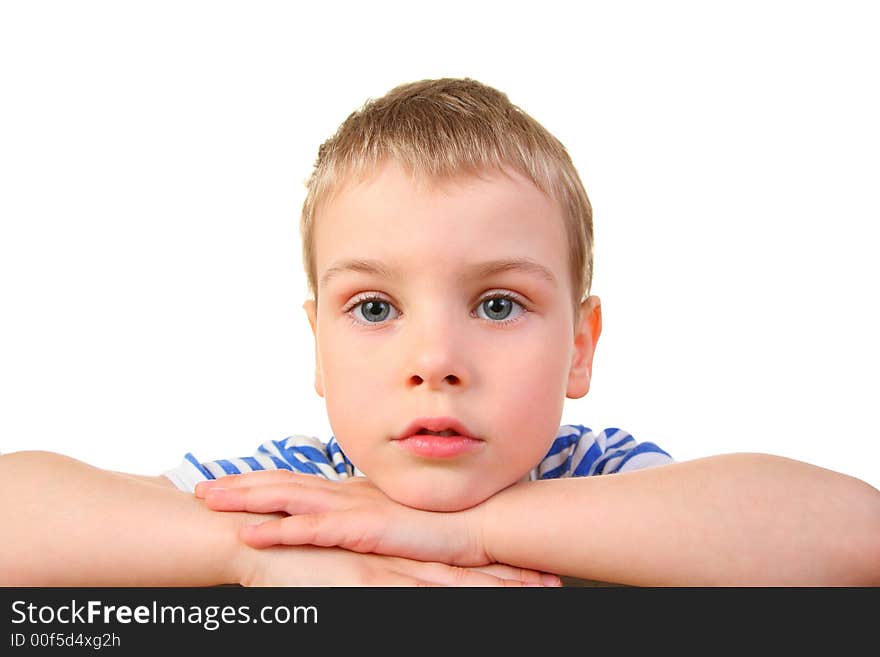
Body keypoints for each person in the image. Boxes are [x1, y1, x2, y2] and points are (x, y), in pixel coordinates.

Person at [2, 78, 879, 586]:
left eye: (498, 304)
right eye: (374, 309)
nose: (435, 363)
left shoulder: (598, 477)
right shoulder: (300, 495)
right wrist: (253, 554)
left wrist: (473, 534)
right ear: (317, 345)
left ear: (579, 345)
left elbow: (854, 535)